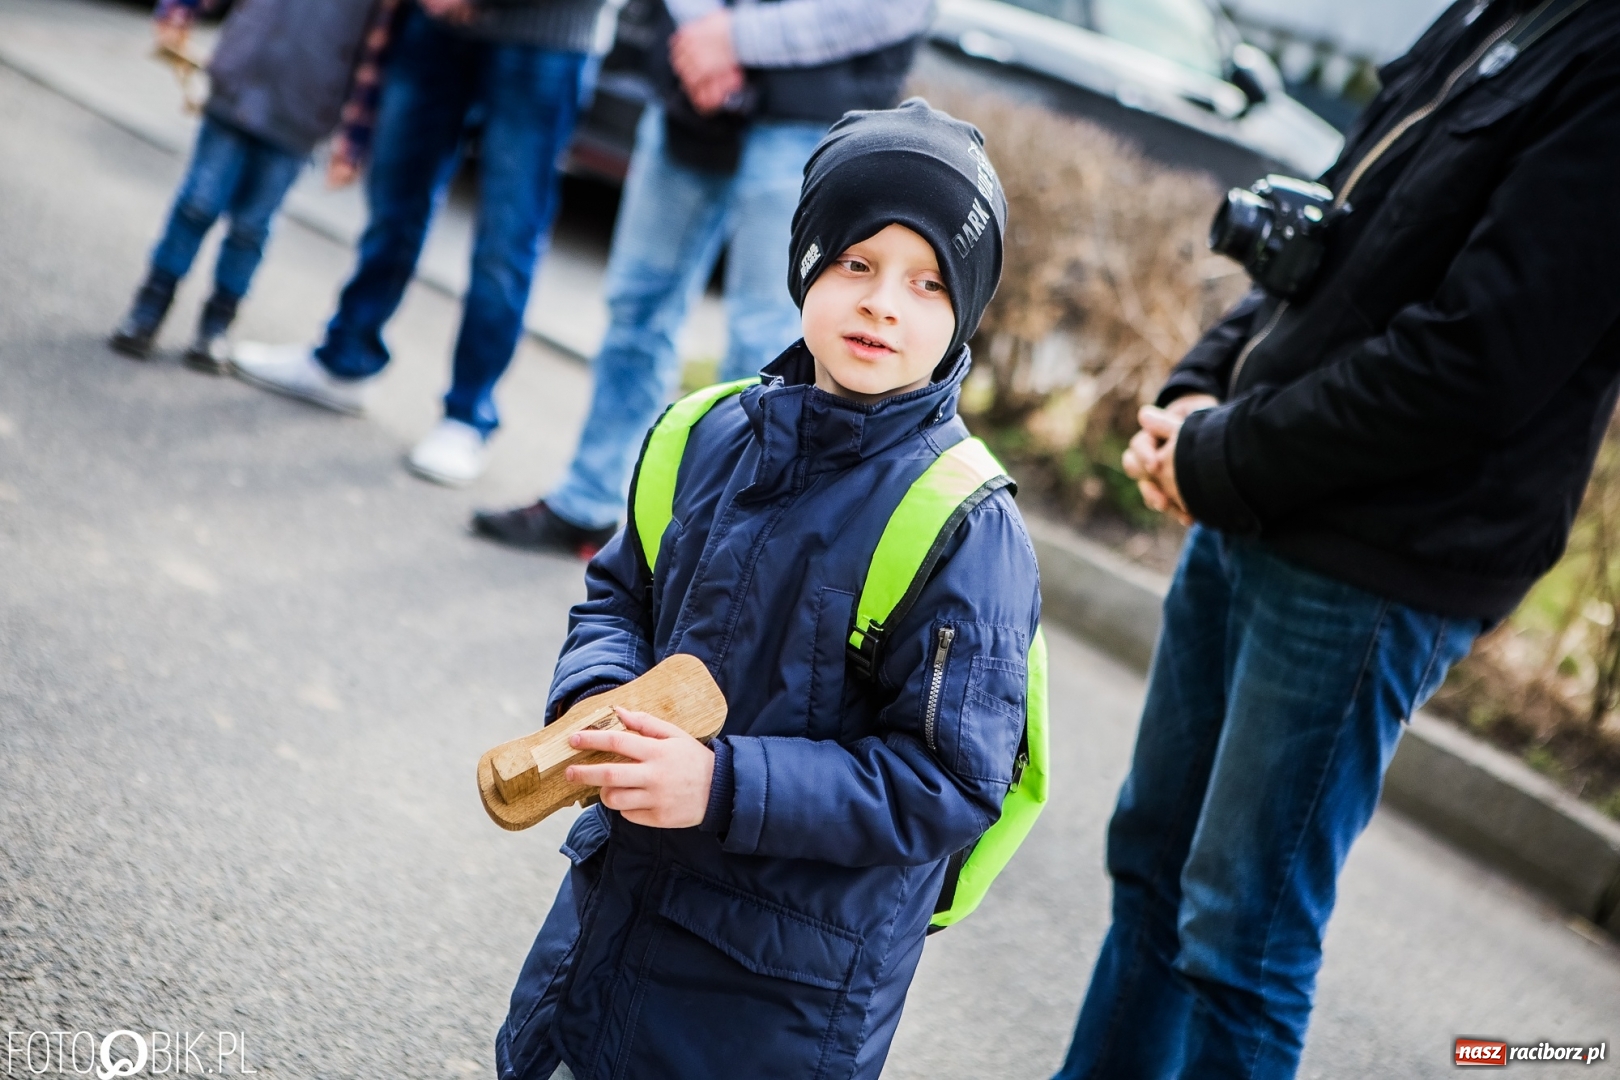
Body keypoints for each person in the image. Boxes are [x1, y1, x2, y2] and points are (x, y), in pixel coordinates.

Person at [1055, 0, 1620, 1076]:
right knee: (1155, 873)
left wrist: (1221, 455)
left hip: (1376, 558)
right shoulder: (1498, 14)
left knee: (1240, 942)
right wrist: (1196, 395)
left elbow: (1475, 361)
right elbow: (1322, 235)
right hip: (1257, 494)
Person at [494, 101, 1038, 1080]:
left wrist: (719, 785)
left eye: (927, 284)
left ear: (964, 314)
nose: (883, 304)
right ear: (803, 265)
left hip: (781, 1001)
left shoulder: (966, 527)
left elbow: (949, 783)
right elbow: (620, 596)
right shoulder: (702, 434)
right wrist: (594, 699)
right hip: (614, 919)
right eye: (856, 264)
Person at [469, 0, 932, 556]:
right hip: (693, 99)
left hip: (811, 114)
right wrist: (703, 35)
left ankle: (723, 548)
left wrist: (733, 39)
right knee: (637, 307)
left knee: (768, 347)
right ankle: (588, 504)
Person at [227, 0, 609, 486]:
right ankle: (344, 359)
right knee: (393, 201)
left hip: (547, 36)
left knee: (506, 236)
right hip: (432, 21)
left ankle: (467, 416)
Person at [109, 0, 398, 371]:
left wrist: (355, 142)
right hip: (238, 86)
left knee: (252, 227)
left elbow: (377, 56)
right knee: (196, 204)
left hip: (303, 115)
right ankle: (149, 307)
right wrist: (178, 9)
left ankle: (216, 325)